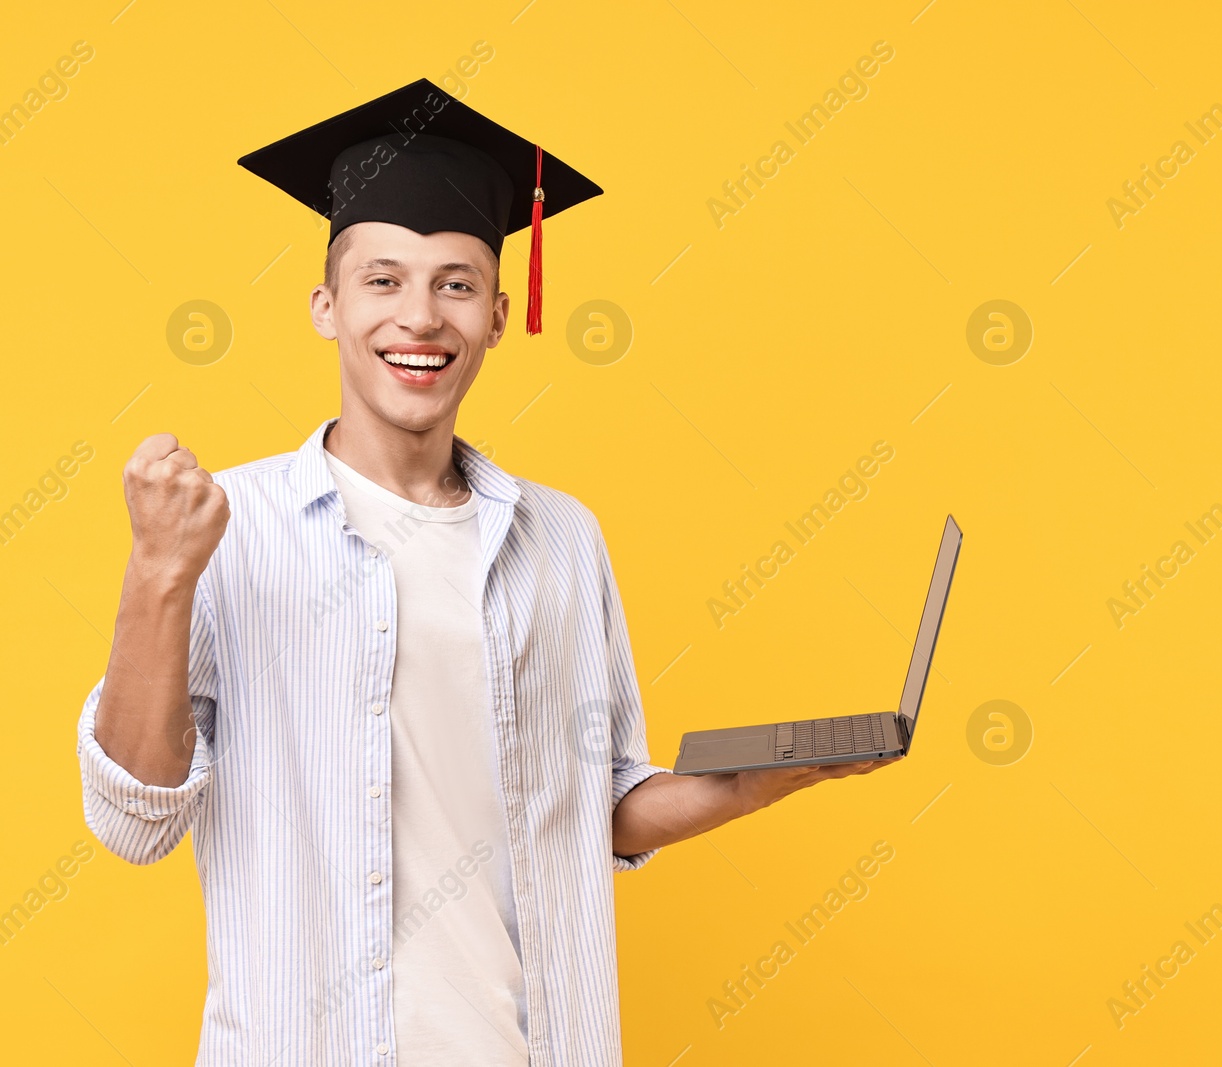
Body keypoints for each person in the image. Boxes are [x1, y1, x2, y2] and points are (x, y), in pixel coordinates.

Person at [76, 79, 898, 1066]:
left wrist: (782, 774)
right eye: (383, 281)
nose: (420, 317)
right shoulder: (228, 527)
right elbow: (133, 819)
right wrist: (160, 574)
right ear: (326, 306)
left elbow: (598, 804)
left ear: (500, 314)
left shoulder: (561, 538)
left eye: (455, 284)